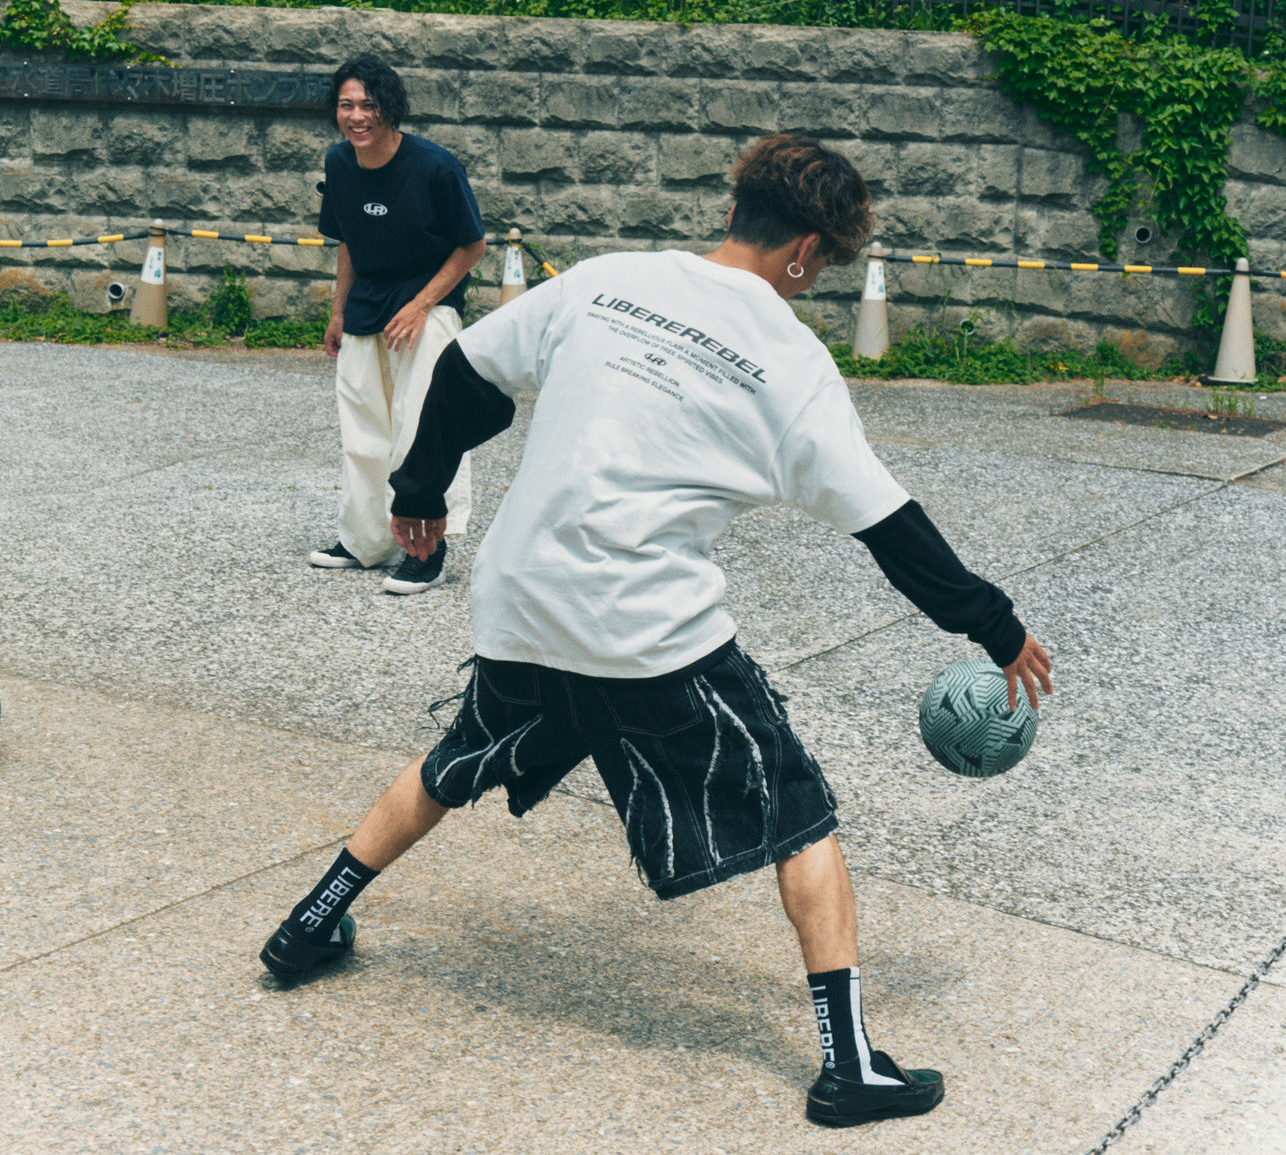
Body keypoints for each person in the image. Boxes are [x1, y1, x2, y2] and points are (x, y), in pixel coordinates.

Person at [261, 134, 1053, 1127]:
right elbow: (890, 530)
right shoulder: (792, 366)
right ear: (804, 252)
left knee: (462, 755)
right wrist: (995, 625)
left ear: (735, 210)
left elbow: (467, 370)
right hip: (638, 620)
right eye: (824, 269)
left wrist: (416, 489)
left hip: (519, 594)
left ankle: (309, 924)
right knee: (794, 808)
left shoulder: (609, 280)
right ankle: (850, 1066)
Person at [307, 57, 487, 594]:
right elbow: (347, 244)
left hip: (427, 307)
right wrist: (339, 312)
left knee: (421, 428)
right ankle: (365, 541)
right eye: (347, 104)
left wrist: (422, 304)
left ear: (390, 108)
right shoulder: (338, 164)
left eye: (368, 104)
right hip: (367, 305)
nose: (357, 116)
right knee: (362, 428)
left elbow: (471, 245)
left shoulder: (436, 166)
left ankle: (427, 549)